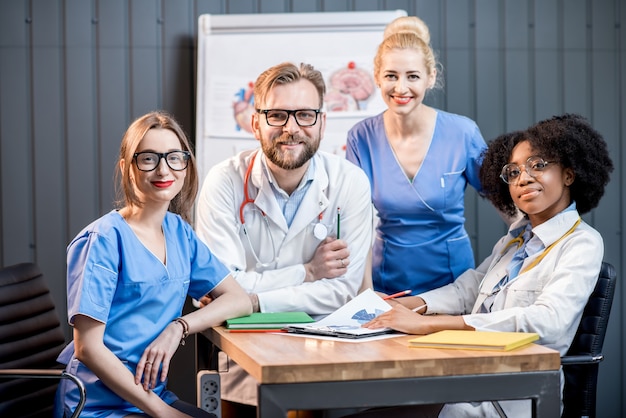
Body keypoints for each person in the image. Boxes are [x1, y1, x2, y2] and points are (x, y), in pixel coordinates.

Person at [354, 114, 613, 417]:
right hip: (470, 380)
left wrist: (429, 325)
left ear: (569, 174)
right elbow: (468, 289)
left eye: (538, 165)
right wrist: (409, 306)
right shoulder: (513, 240)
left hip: (514, 396)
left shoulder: (581, 242)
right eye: (513, 172)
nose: (523, 178)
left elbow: (549, 324)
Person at [195, 62, 373, 415]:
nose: (291, 128)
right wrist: (308, 272)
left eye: (305, 115)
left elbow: (343, 291)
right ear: (255, 122)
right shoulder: (224, 182)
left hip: (321, 352)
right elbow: (222, 288)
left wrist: (249, 299)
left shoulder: (350, 182)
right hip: (240, 352)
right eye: (277, 114)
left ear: (322, 122)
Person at [54, 111, 252, 418]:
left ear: (186, 166)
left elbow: (239, 300)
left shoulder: (180, 233)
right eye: (148, 159)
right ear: (127, 168)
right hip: (96, 406)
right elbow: (88, 348)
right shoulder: (103, 240)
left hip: (150, 399)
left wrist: (178, 328)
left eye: (174, 158)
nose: (163, 170)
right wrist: (162, 412)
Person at [345, 15, 488, 295]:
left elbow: (507, 202)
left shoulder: (463, 132)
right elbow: (355, 224)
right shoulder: (361, 137)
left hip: (453, 285)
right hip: (387, 284)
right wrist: (365, 293)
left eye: (412, 76)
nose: (400, 88)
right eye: (391, 76)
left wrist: (519, 260)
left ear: (430, 77)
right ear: (377, 77)